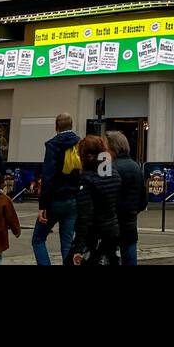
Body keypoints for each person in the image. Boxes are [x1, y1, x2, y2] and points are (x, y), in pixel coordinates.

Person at [33, 113, 81, 265]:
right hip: (73, 198)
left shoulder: (53, 145)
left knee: (38, 239)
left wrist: (43, 206)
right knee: (67, 243)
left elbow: (48, 176)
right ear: (71, 125)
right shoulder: (79, 143)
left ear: (56, 126)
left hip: (55, 199)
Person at [68, 135, 121, 266]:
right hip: (112, 230)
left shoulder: (87, 179)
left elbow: (85, 215)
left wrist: (78, 247)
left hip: (93, 234)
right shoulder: (113, 174)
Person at [106, 130, 147, 265]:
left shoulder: (109, 167)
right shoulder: (136, 167)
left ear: (112, 149)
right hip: (130, 222)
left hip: (112, 222)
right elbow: (143, 200)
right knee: (130, 258)